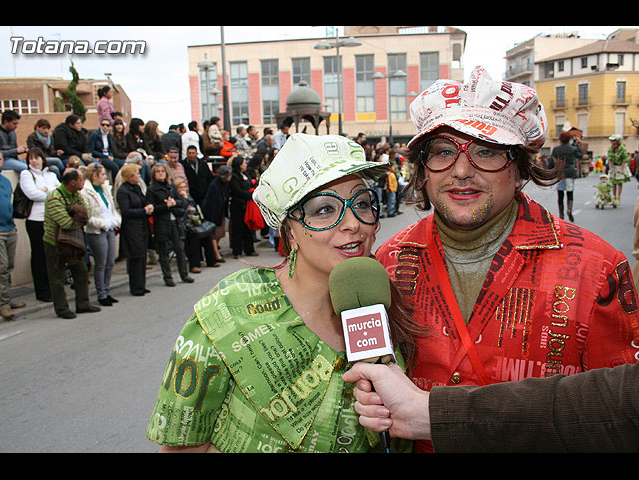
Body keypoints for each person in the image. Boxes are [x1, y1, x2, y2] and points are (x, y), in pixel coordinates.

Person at [373, 66, 639, 453]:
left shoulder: (596, 268)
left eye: (487, 151)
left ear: (519, 170)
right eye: (444, 152)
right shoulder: (390, 260)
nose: (462, 171)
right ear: (423, 170)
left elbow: (617, 415)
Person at [146, 133, 418, 453]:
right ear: (289, 229)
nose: (353, 223)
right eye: (324, 209)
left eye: (361, 203)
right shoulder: (229, 310)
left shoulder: (381, 301)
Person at [342, 360, 639, 453]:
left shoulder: (598, 264)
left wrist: (428, 413)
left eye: (367, 206)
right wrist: (426, 413)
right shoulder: (392, 259)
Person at [43, 168, 101, 319]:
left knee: (81, 272)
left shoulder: (76, 194)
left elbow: (87, 213)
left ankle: (83, 304)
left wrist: (78, 214)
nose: (83, 182)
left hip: (74, 241)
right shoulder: (54, 197)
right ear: (73, 182)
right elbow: (65, 222)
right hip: (54, 243)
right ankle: (61, 309)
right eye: (81, 180)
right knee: (57, 277)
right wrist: (78, 217)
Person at [19, 147, 60, 303]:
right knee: (39, 255)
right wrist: (50, 192)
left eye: (36, 158)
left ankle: (53, 287)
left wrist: (45, 190)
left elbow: (60, 192)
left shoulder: (51, 175)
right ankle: (42, 291)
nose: (33, 161)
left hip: (53, 218)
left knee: (53, 254)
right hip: (36, 220)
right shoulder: (26, 174)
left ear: (43, 159)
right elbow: (32, 194)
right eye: (31, 158)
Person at [80, 163, 121, 306]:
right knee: (101, 263)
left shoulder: (105, 189)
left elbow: (112, 208)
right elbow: (87, 216)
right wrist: (102, 223)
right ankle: (101, 293)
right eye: (102, 174)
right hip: (97, 231)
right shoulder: (85, 192)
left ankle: (107, 290)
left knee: (110, 262)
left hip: (109, 228)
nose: (105, 177)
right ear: (94, 175)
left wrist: (116, 220)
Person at [146, 163, 193, 286]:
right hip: (161, 223)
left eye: (163, 171)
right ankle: (168, 277)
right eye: (158, 171)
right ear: (154, 175)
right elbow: (152, 209)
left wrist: (174, 203)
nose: (161, 173)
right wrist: (165, 206)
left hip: (175, 221)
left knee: (180, 249)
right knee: (164, 252)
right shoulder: (151, 190)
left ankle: (184, 274)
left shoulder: (171, 186)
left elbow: (181, 202)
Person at [116, 163, 153, 296]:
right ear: (129, 176)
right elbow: (126, 211)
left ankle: (141, 284)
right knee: (135, 257)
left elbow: (143, 201)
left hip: (142, 225)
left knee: (142, 255)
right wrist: (143, 211)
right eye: (136, 174)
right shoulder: (123, 191)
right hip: (132, 227)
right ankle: (135, 286)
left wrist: (148, 206)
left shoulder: (136, 188)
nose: (138, 176)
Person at [0, 152, 26, 320]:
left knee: (9, 265)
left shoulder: (6, 181)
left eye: (0, 159)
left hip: (10, 227)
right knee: (1, 266)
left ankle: (7, 298)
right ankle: (3, 305)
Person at [175, 178, 217, 272]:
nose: (183, 189)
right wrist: (184, 198)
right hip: (185, 224)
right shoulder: (178, 199)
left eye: (184, 186)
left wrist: (198, 218)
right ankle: (194, 264)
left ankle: (211, 260)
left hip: (195, 222)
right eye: (180, 187)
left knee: (207, 235)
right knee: (193, 238)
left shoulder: (190, 197)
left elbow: (195, 208)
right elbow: (181, 212)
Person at [202, 165, 232, 264]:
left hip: (220, 212)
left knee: (220, 233)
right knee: (214, 234)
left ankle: (215, 251)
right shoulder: (214, 185)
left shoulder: (224, 183)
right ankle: (215, 254)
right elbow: (213, 202)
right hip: (213, 214)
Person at [228, 155, 257, 258]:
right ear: (239, 165)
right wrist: (250, 195)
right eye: (244, 163)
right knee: (238, 229)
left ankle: (249, 249)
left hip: (248, 205)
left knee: (248, 228)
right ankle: (237, 251)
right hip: (238, 206)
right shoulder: (234, 177)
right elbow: (237, 191)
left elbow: (251, 185)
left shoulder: (246, 174)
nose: (245, 165)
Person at [551, 131, 582, 221]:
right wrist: (577, 146)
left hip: (560, 173)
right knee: (570, 192)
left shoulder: (556, 149)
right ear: (569, 139)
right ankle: (569, 210)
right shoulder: (573, 148)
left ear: (560, 139)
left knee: (560, 194)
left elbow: (552, 161)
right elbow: (580, 156)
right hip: (570, 172)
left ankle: (561, 214)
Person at [606, 134, 632, 206]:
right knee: (613, 182)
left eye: (613, 140)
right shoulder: (610, 149)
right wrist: (610, 168)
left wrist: (621, 168)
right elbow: (610, 159)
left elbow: (625, 159)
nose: (611, 141)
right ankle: (614, 197)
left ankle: (618, 198)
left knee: (619, 182)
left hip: (620, 165)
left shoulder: (622, 148)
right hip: (614, 166)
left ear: (617, 141)